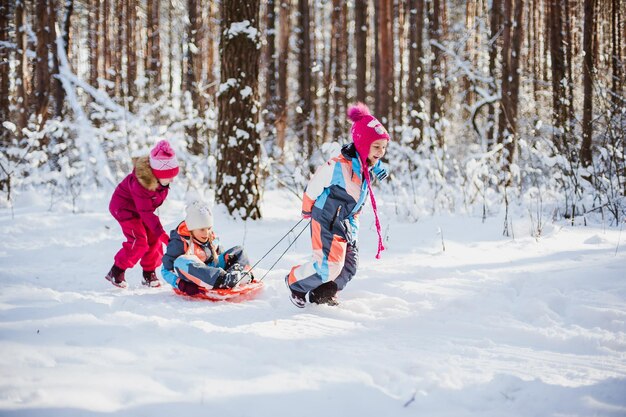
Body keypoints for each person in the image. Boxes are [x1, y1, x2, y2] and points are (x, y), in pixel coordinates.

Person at [285, 102, 390, 307]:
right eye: (376, 147)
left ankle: (321, 293)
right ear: (362, 144)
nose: (381, 152)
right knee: (329, 265)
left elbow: (367, 165)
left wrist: (376, 166)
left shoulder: (366, 165)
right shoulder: (338, 166)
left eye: (384, 147)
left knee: (349, 265)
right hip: (327, 217)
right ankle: (295, 282)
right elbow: (314, 186)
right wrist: (307, 208)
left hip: (347, 221)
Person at [105, 140, 180, 288]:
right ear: (158, 174)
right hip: (123, 209)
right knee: (138, 241)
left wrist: (159, 234)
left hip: (141, 210)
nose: (172, 179)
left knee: (154, 238)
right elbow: (146, 212)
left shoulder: (160, 182)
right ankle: (117, 271)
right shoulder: (141, 184)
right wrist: (164, 235)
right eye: (169, 176)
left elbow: (147, 211)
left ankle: (149, 273)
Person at [161, 200, 254, 296]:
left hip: (212, 271)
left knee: (239, 250)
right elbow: (165, 269)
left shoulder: (211, 237)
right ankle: (223, 280)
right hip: (194, 275)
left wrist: (229, 264)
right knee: (180, 261)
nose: (206, 233)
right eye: (201, 229)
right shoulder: (179, 242)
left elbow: (222, 257)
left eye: (208, 228)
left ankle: (236, 274)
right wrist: (180, 284)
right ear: (191, 228)